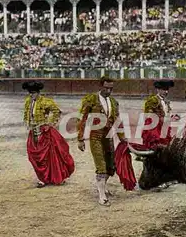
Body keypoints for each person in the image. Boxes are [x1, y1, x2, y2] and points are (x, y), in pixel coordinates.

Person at [77, 76, 126, 206]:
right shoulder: (91, 99)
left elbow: (117, 121)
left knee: (111, 166)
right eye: (106, 88)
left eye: (111, 88)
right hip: (95, 136)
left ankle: (102, 187)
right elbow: (83, 119)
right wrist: (80, 139)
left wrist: (122, 138)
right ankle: (102, 195)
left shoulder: (114, 102)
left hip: (108, 136)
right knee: (101, 165)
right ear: (100, 86)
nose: (109, 91)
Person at [23, 81, 75, 188]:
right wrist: (27, 122)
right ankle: (43, 178)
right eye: (30, 93)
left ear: (38, 92)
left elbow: (57, 112)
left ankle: (52, 178)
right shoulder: (28, 101)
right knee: (36, 155)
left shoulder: (46, 102)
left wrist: (49, 124)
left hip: (44, 131)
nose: (31, 95)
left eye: (33, 93)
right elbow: (26, 113)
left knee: (48, 155)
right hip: (33, 131)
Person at [140, 79, 180, 190]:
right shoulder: (152, 101)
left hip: (164, 131)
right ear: (158, 89)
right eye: (163, 89)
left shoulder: (166, 102)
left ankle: (165, 179)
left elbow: (165, 117)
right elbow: (150, 118)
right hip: (154, 133)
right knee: (157, 157)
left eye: (167, 89)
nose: (166, 92)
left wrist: (172, 118)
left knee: (165, 156)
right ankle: (154, 180)